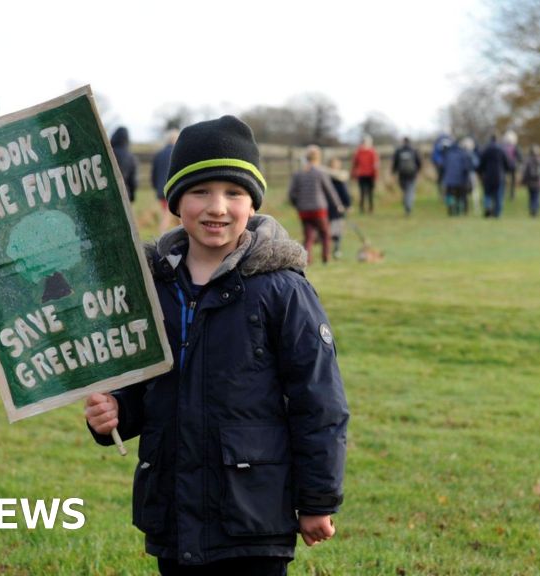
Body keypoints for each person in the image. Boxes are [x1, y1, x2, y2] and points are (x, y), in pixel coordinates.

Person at [84, 115, 348, 576]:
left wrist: (317, 499)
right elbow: (146, 385)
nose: (217, 207)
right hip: (174, 512)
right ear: (174, 201)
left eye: (234, 193)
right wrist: (116, 411)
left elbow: (319, 401)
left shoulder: (282, 290)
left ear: (253, 202)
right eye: (200, 191)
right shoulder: (153, 288)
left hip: (253, 516)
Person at [289, 145, 345, 265]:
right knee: (325, 233)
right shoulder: (320, 173)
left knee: (308, 236)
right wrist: (338, 205)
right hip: (319, 209)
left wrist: (297, 204)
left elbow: (292, 194)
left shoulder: (299, 174)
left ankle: (307, 260)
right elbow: (330, 190)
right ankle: (326, 257)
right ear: (318, 158)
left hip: (303, 210)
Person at [477, 135, 512, 218]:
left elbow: (481, 164)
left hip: (488, 175)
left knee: (487, 194)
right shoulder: (501, 150)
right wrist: (508, 170)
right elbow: (507, 164)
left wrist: (480, 172)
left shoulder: (486, 150)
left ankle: (488, 207)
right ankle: (497, 213)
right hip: (499, 176)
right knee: (498, 195)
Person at [151, 128, 179, 233]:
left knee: (176, 216)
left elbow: (153, 174)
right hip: (173, 190)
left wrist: (156, 187)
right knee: (167, 216)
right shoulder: (178, 153)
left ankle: (185, 237)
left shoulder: (159, 154)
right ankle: (161, 236)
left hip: (161, 190)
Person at [440, 137, 474, 216]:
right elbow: (467, 167)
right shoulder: (463, 154)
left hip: (449, 180)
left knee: (450, 195)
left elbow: (443, 166)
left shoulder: (448, 154)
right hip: (461, 180)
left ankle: (451, 209)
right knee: (460, 196)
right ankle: (460, 210)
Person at [326, 157, 352, 259]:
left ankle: (336, 249)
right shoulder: (328, 177)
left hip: (337, 207)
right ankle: (331, 250)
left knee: (337, 229)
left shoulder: (340, 177)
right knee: (331, 230)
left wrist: (348, 205)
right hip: (329, 207)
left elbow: (345, 193)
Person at [391, 137, 421, 216]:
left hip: (402, 174)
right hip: (412, 174)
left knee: (405, 190)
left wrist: (393, 172)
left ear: (403, 142)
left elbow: (395, 162)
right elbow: (419, 162)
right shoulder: (414, 150)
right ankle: (408, 205)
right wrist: (418, 171)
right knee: (410, 190)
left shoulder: (399, 151)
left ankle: (406, 202)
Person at [350, 135, 379, 214]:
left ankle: (370, 208)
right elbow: (355, 164)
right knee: (362, 192)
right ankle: (362, 208)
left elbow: (375, 165)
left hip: (370, 175)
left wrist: (376, 175)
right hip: (362, 175)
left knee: (370, 192)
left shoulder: (372, 152)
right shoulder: (359, 152)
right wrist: (353, 174)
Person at [110, 126, 138, 203]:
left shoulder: (108, 153)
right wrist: (132, 196)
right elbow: (133, 181)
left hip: (107, 194)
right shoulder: (131, 157)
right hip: (124, 195)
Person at [521, 144, 540, 217]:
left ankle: (532, 210)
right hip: (538, 181)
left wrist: (523, 180)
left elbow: (525, 171)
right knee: (537, 196)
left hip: (530, 182)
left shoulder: (528, 160)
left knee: (531, 196)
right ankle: (535, 210)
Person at [502, 130, 521, 200]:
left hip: (505, 166)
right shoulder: (515, 147)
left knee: (504, 181)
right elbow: (519, 157)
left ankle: (504, 193)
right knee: (512, 181)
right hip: (513, 166)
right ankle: (512, 195)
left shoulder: (503, 147)